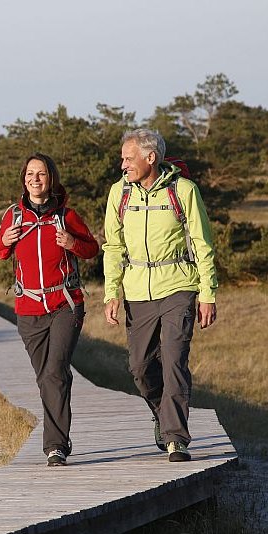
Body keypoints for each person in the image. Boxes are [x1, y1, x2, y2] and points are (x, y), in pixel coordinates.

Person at [102, 128, 218, 462]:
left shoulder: (184, 191)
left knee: (174, 360)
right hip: (137, 291)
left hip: (178, 286)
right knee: (139, 367)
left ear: (150, 157)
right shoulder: (119, 195)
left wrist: (207, 293)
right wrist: (112, 293)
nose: (123, 164)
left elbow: (203, 244)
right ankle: (160, 412)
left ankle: (176, 438)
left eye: (128, 158)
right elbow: (113, 247)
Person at [0, 152, 99, 466]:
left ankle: (55, 446)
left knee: (54, 372)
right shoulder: (13, 216)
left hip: (65, 304)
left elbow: (91, 249)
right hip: (28, 309)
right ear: (23, 180)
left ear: (51, 179)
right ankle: (59, 439)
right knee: (47, 377)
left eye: (40, 174)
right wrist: (6, 242)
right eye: (29, 174)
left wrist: (72, 244)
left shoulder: (67, 216)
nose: (34, 179)